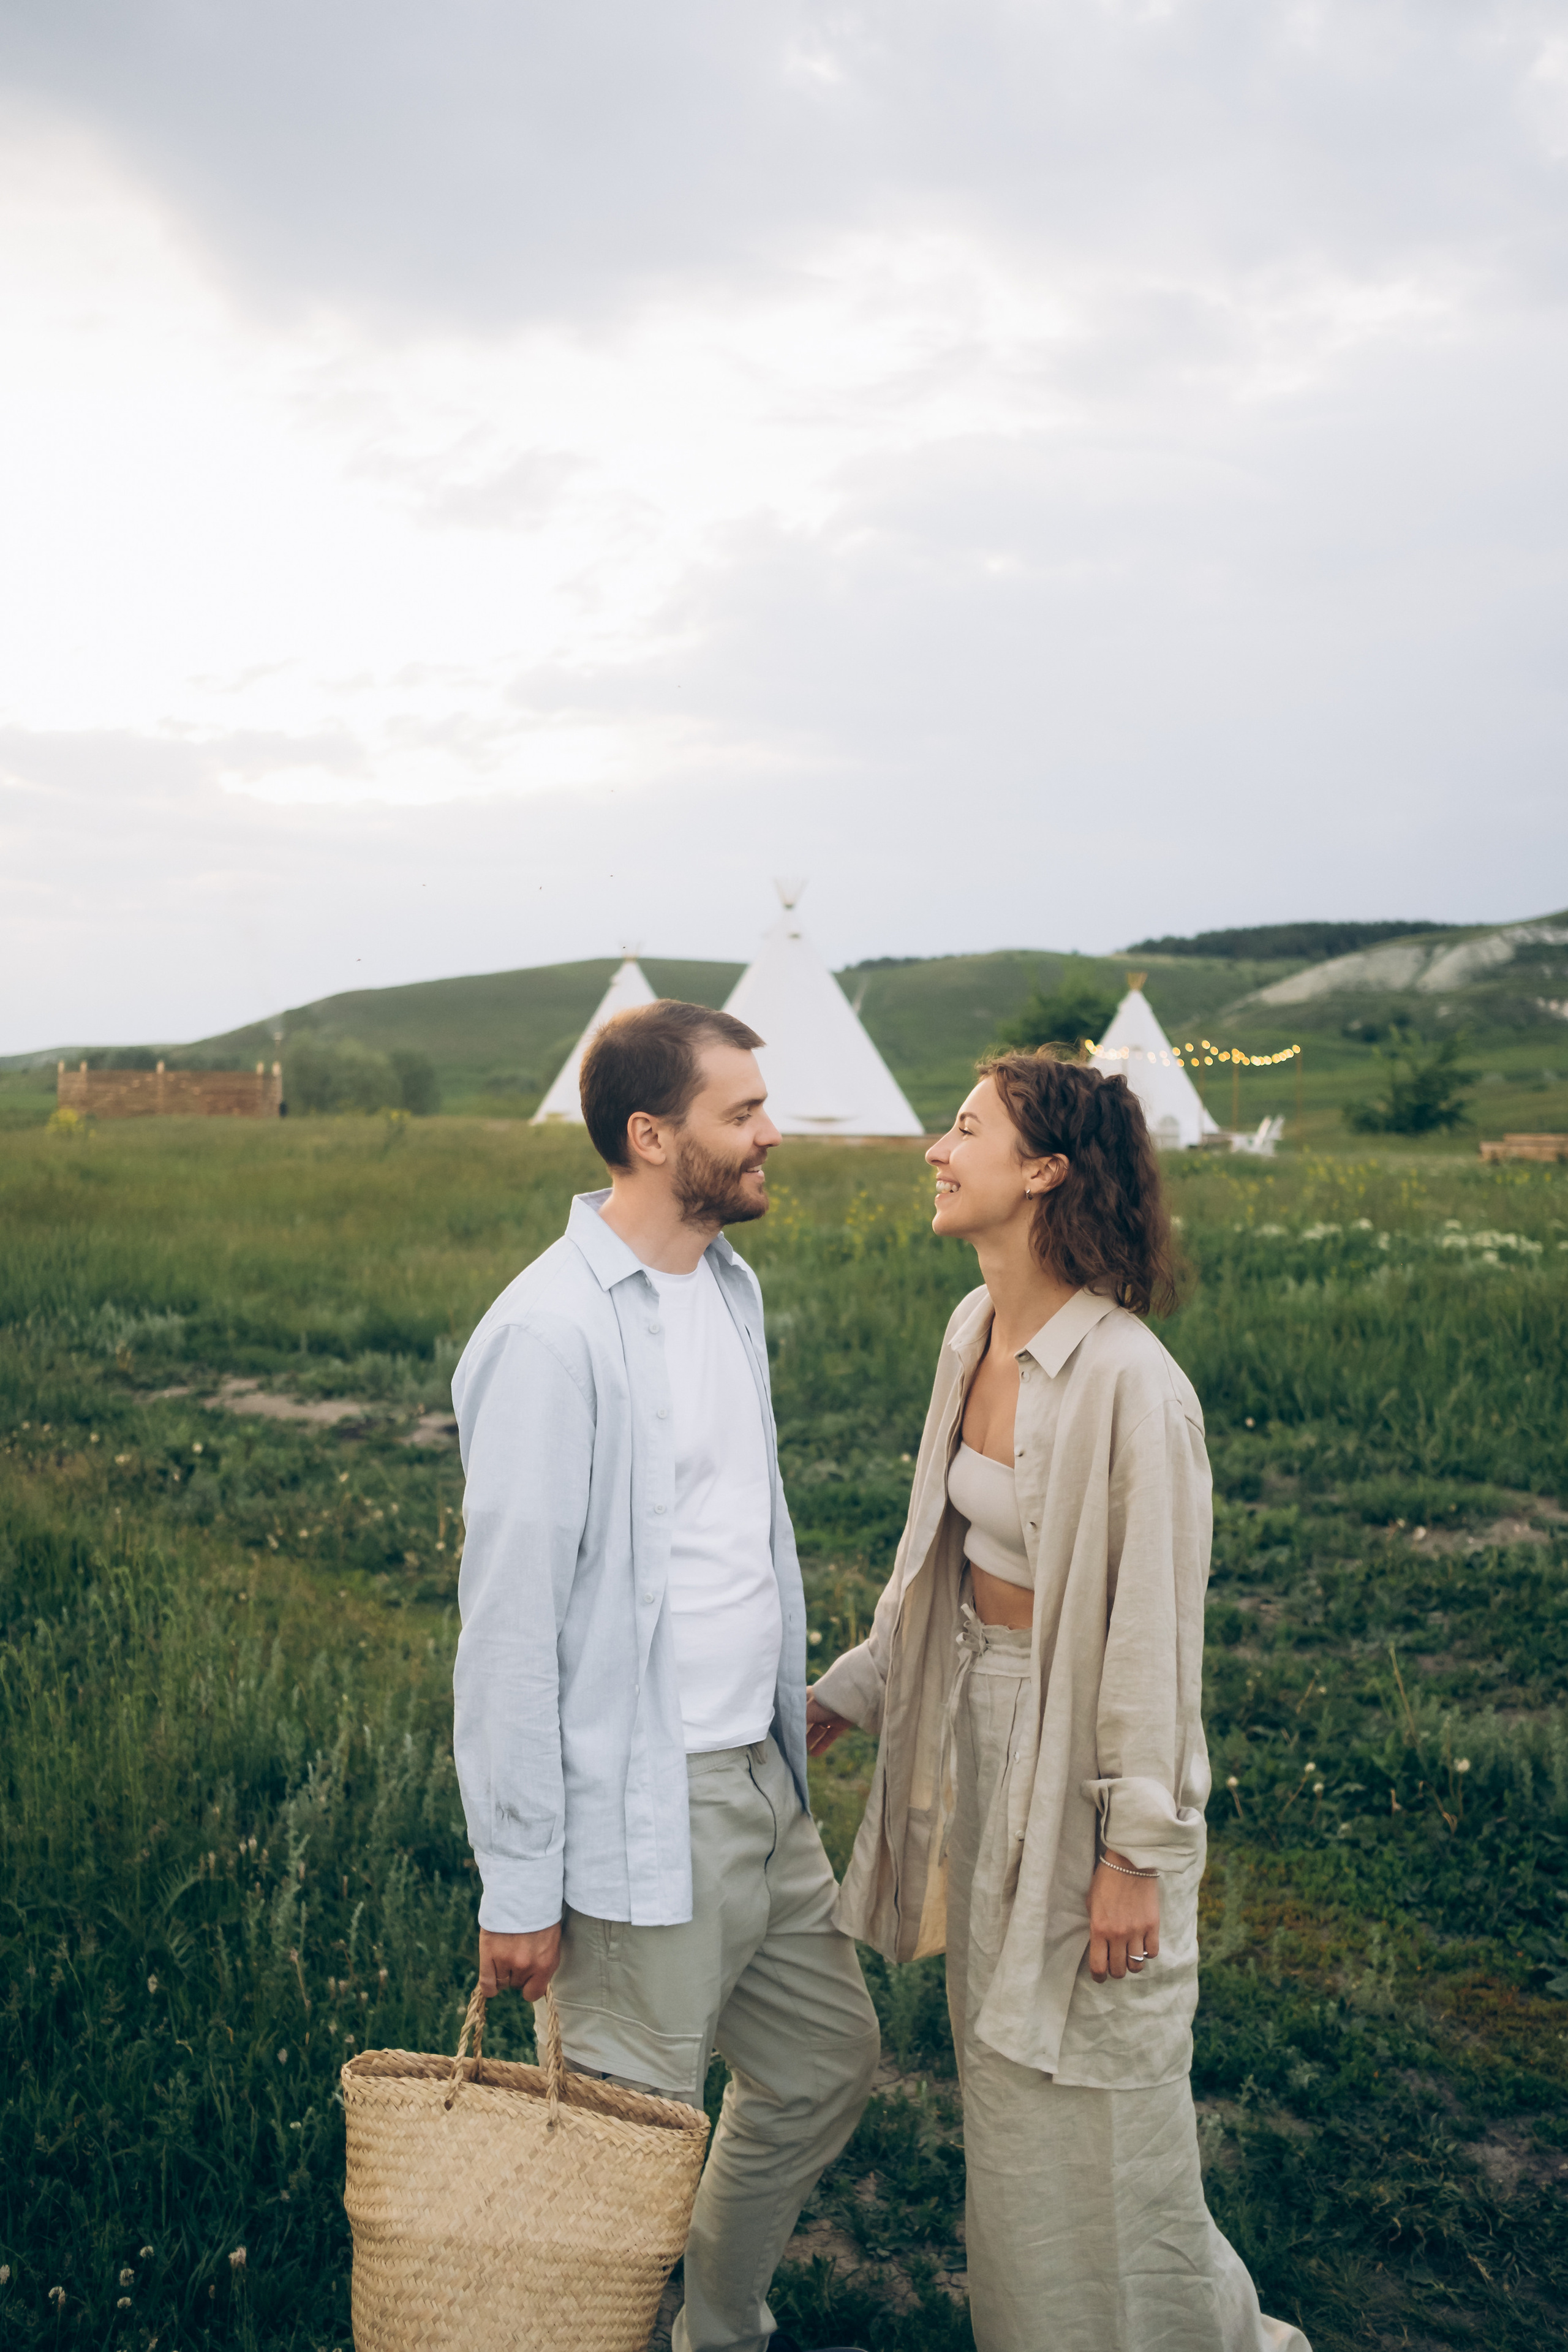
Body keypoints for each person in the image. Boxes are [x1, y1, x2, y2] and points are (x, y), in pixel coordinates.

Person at [805, 1049, 1310, 2352]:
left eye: (963, 1128)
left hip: (1077, 1755)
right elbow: (938, 1558)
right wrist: (855, 1692)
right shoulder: (971, 1332)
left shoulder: (1131, 1386)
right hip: (975, 1735)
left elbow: (1150, 1641)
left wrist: (1134, 1851)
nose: (935, 1147)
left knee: (1093, 2080)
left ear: (1038, 1172)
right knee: (1009, 2084)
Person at [451, 998, 880, 2352]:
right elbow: (507, 1631)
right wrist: (519, 1881)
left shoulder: (728, 1290)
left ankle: (721, 2322)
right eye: (740, 1114)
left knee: (821, 2068)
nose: (770, 1135)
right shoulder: (549, 1334)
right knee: (619, 2159)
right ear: (651, 1136)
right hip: (644, 1815)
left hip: (762, 1781)